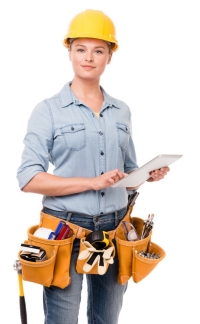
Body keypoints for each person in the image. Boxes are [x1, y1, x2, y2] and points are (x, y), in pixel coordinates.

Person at [17, 9, 169, 324]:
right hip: (65, 231)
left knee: (106, 320)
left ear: (109, 56)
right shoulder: (48, 111)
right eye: (81, 49)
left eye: (98, 50)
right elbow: (28, 178)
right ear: (70, 52)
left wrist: (145, 176)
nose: (89, 57)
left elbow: (125, 177)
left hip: (115, 230)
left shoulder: (121, 112)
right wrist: (92, 182)